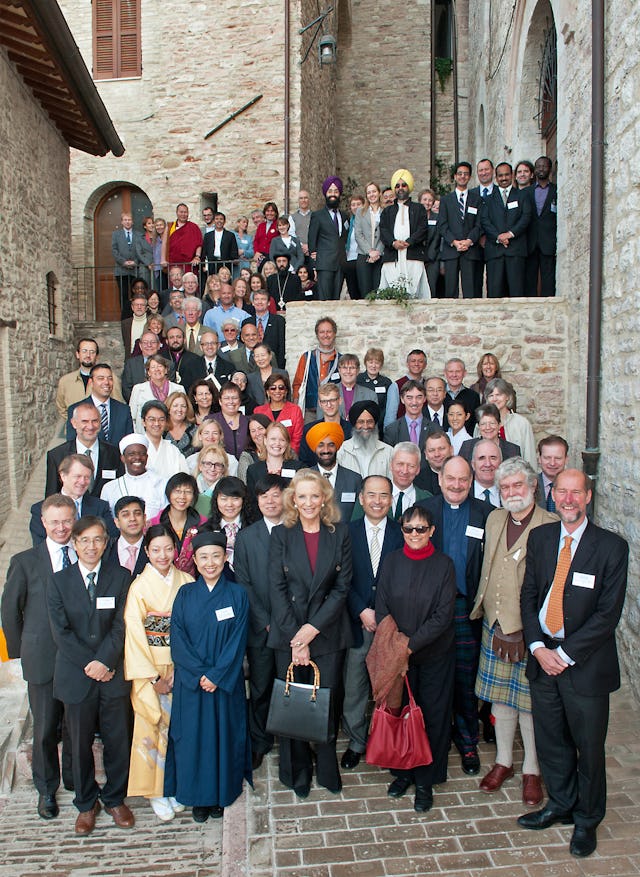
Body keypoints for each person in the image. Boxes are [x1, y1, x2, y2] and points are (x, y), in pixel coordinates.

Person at [518, 470, 628, 859]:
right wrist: (536, 646)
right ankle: (560, 804)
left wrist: (563, 656)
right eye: (561, 491)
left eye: (575, 492)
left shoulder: (612, 547)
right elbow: (529, 594)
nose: (568, 499)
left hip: (584, 664)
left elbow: (606, 615)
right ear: (553, 494)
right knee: (551, 740)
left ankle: (587, 819)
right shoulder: (541, 537)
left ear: (588, 496)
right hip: (542, 657)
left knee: (588, 747)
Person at [470, 457, 557, 806]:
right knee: (500, 699)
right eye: (505, 487)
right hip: (492, 623)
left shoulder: (549, 525)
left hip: (529, 632)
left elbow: (552, 588)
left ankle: (532, 770)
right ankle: (504, 761)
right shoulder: (494, 518)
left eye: (517, 485)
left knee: (529, 703)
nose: (511, 493)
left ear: (533, 486)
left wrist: (527, 631)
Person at [267, 470, 353, 798]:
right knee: (294, 705)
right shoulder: (281, 535)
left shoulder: (339, 533)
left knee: (325, 705)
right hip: (288, 635)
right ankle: (296, 772)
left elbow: (342, 588)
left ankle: (327, 768)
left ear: (324, 498)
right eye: (301, 496)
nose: (308, 503)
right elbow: (276, 588)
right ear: (293, 499)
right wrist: (297, 639)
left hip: (327, 633)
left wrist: (311, 631)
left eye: (314, 496)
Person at [47, 516, 134, 835]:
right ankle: (85, 804)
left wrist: (106, 661)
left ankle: (114, 798)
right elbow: (62, 633)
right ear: (74, 543)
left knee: (117, 740)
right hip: (77, 676)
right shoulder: (59, 581)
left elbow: (121, 624)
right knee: (79, 745)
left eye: (98, 539)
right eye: (84, 540)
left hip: (113, 674)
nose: (91, 546)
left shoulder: (121, 576)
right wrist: (92, 664)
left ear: (106, 542)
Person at [165, 529, 252, 821]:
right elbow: (177, 637)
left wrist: (217, 675)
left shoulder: (237, 594)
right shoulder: (185, 593)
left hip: (224, 682)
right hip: (192, 683)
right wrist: (200, 674)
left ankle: (221, 793)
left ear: (224, 557)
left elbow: (238, 640)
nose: (210, 563)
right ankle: (197, 797)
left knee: (224, 737)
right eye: (204, 557)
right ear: (196, 561)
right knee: (193, 739)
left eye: (216, 556)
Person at [375, 505, 457, 812]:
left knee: (431, 718)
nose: (414, 535)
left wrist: (409, 646)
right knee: (400, 713)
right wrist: (397, 647)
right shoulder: (392, 562)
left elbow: (442, 615)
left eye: (421, 529)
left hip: (432, 654)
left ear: (432, 531)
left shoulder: (444, 565)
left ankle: (425, 779)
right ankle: (403, 772)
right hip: (397, 654)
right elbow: (381, 605)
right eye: (409, 529)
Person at [2, 494, 78, 820]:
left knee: (77, 725)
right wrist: (22, 655)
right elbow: (9, 612)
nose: (61, 527)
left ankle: (77, 782)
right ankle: (46, 789)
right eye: (55, 521)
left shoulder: (84, 554)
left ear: (73, 520)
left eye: (66, 520)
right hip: (41, 658)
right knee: (45, 728)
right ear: (44, 523)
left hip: (77, 659)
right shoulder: (25, 561)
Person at [420, 455, 492, 775]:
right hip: (430, 610)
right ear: (439, 479)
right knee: (431, 678)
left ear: (471, 481)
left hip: (466, 609)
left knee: (465, 679)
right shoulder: (424, 512)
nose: (456, 485)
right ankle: (431, 740)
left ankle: (467, 741)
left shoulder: (487, 514)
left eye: (463, 479)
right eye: (451, 478)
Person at [123, 524, 194, 821]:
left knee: (179, 729)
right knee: (152, 730)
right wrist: (153, 678)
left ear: (175, 550)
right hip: (151, 669)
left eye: (168, 548)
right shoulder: (139, 587)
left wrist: (184, 667)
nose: (163, 555)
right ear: (147, 552)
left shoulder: (187, 580)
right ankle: (155, 792)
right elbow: (135, 634)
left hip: (182, 667)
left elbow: (196, 629)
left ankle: (175, 785)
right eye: (155, 550)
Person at [340, 476, 403, 770]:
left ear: (391, 500)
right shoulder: (346, 532)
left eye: (384, 495)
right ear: (361, 499)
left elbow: (407, 578)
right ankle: (356, 741)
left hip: (392, 623)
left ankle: (387, 739)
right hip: (357, 622)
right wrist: (361, 610)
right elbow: (340, 578)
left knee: (390, 685)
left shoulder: (402, 532)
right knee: (354, 686)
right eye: (371, 495)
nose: (377, 501)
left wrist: (386, 614)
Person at [233, 474, 287, 769]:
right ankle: (260, 740)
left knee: (290, 683)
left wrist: (288, 621)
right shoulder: (247, 536)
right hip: (261, 627)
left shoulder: (295, 530)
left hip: (293, 628)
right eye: (264, 496)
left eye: (275, 494)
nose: (270, 501)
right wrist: (266, 621)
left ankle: (293, 739)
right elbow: (243, 582)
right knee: (261, 685)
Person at [33, 454, 117, 545]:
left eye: (87, 477)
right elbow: (40, 548)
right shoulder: (40, 509)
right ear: (63, 476)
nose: (82, 482)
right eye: (78, 476)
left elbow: (111, 540)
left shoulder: (101, 507)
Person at [46, 401, 124, 498]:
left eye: (95, 421)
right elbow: (51, 497)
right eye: (85, 421)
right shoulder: (57, 455)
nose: (90, 427)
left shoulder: (114, 453)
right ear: (74, 423)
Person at [481, 162, 532, 298]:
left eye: (507, 175)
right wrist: (498, 237)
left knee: (517, 292)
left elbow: (525, 217)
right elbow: (485, 221)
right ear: (496, 178)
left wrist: (509, 234)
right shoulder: (488, 199)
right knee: (494, 293)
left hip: (516, 251)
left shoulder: (522, 196)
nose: (504, 178)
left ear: (512, 175)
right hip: (495, 252)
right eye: (500, 175)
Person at [379, 169, 430, 299]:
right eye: (397, 186)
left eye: (403, 185)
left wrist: (410, 241)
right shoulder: (387, 211)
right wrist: (393, 242)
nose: (400, 188)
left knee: (415, 292)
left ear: (409, 187)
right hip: (393, 256)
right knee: (392, 293)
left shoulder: (419, 209)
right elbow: (383, 230)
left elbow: (423, 228)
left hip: (413, 255)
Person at [436, 162, 483, 299]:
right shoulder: (446, 200)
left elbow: (479, 225)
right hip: (452, 250)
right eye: (460, 174)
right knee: (450, 290)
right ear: (455, 176)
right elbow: (442, 225)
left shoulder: (477, 199)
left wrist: (469, 241)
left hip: (470, 250)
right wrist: (455, 242)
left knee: (470, 290)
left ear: (469, 177)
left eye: (466, 174)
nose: (463, 176)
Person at [148, 473, 207, 576]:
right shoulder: (153, 524)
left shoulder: (203, 524)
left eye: (188, 492)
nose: (182, 497)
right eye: (177, 491)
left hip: (193, 583)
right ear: (169, 493)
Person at [100, 434, 167, 521]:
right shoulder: (109, 488)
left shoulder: (162, 483)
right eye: (131, 454)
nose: (137, 457)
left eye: (142, 454)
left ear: (147, 457)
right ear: (123, 458)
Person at [66, 364, 133, 447]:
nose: (106, 382)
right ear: (91, 382)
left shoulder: (124, 410)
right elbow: (71, 443)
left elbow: (129, 442)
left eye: (110, 378)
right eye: (101, 378)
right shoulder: (76, 409)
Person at [307, 421, 362, 523]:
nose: (326, 450)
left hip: (346, 537)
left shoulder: (354, 479)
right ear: (314, 448)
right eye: (321, 445)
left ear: (337, 446)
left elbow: (358, 517)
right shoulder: (304, 478)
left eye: (330, 445)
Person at [308, 177, 349, 300]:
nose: (333, 194)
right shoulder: (317, 216)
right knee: (325, 300)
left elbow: (344, 239)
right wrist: (314, 265)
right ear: (325, 193)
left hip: (340, 264)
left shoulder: (344, 215)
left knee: (336, 299)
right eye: (330, 191)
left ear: (339, 194)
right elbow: (312, 242)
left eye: (336, 191)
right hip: (324, 264)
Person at [292, 317, 341, 418]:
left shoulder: (341, 360)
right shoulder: (307, 357)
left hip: (334, 413)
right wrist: (296, 410)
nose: (326, 335)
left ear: (334, 333)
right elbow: (298, 384)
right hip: (310, 412)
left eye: (329, 331)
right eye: (322, 332)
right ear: (317, 335)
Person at [485, 377, 537, 468]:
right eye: (491, 395)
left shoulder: (521, 423)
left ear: (507, 397)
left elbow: (529, 456)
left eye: (499, 395)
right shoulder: (481, 424)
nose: (495, 399)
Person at [525, 156, 557, 297]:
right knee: (529, 275)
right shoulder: (526, 192)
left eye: (544, 166)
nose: (541, 169)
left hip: (548, 239)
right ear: (534, 170)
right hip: (530, 240)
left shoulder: (557, 191)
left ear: (550, 169)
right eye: (538, 166)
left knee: (548, 275)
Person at [299, 382, 352, 466]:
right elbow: (304, 461)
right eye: (324, 401)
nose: (329, 405)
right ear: (320, 404)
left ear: (340, 400)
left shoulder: (352, 430)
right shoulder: (309, 430)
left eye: (332, 400)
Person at [129, 355, 184, 434]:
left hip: (172, 435)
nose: (157, 369)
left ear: (166, 370)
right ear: (148, 372)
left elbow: (183, 414)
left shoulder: (179, 389)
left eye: (160, 366)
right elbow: (132, 417)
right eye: (153, 367)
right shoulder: (138, 389)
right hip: (144, 436)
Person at [207, 476, 253, 570]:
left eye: (235, 498)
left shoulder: (254, 529)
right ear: (216, 500)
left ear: (243, 500)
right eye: (224, 499)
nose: (229, 504)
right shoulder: (206, 530)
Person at [337, 401, 392, 478]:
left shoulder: (388, 452)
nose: (365, 426)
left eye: (369, 422)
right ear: (354, 424)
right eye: (361, 422)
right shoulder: (341, 450)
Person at [246, 422, 304, 493]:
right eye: (273, 439)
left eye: (282, 440)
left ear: (287, 443)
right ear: (265, 440)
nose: (277, 443)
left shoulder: (299, 468)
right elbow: (252, 501)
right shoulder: (253, 470)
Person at [253, 373, 304, 453]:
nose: (277, 391)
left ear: (286, 391)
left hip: (289, 456)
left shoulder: (295, 410)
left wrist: (287, 455)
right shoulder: (258, 411)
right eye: (273, 388)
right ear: (267, 392)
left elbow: (297, 439)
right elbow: (257, 437)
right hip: (264, 456)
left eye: (281, 388)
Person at [140, 401, 190, 479]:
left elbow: (183, 478)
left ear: (166, 422)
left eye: (161, 419)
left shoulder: (173, 450)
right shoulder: (137, 448)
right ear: (143, 422)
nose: (157, 424)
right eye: (152, 419)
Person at [384, 348, 428, 428]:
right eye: (413, 361)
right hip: (402, 433)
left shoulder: (428, 386)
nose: (416, 364)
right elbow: (390, 416)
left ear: (425, 365)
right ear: (407, 364)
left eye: (420, 361)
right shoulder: (396, 386)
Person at [354, 181, 384, 296]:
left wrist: (377, 252)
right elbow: (358, 234)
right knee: (365, 291)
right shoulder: (360, 212)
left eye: (374, 191)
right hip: (364, 255)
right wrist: (370, 251)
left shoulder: (385, 211)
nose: (372, 195)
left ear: (379, 193)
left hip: (380, 256)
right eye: (369, 192)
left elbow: (386, 233)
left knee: (379, 291)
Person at [211, 381, 251, 459]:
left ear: (240, 401)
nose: (231, 402)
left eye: (234, 398)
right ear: (220, 401)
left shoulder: (249, 421)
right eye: (226, 398)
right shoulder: (210, 420)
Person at [356, 347, 392, 432]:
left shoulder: (386, 382)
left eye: (377, 363)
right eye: (370, 362)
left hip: (379, 426)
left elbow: (388, 407)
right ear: (365, 363)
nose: (373, 365)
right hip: (359, 425)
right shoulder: (357, 380)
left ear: (381, 364)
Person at [112, 213, 140, 317]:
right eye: (125, 220)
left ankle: (136, 314)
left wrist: (135, 262)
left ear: (132, 221)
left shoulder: (138, 234)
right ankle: (124, 316)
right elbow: (114, 251)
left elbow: (141, 251)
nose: (127, 222)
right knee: (123, 294)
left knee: (136, 293)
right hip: (121, 270)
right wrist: (123, 262)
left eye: (129, 220)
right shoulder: (116, 234)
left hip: (135, 270)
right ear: (122, 222)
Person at [162, 203, 203, 274]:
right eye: (181, 212)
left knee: (190, 283)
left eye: (185, 212)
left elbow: (199, 244)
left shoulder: (194, 227)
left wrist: (197, 257)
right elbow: (164, 244)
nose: (183, 214)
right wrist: (163, 260)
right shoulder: (170, 227)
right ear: (177, 213)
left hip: (189, 264)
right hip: (173, 263)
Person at [251, 289, 286, 369]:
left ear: (269, 303)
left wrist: (279, 368)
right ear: (253, 303)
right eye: (256, 299)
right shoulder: (247, 322)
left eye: (263, 299)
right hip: (252, 367)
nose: (259, 302)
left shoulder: (279, 321)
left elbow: (282, 346)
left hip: (274, 366)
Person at [443, 358, 481, 432]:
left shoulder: (473, 396)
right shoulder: (438, 396)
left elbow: (475, 423)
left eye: (458, 371)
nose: (454, 375)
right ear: (445, 373)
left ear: (464, 373)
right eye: (451, 371)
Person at [336, 354, 377, 420]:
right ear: (339, 370)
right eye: (344, 368)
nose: (348, 371)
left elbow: (374, 424)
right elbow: (320, 421)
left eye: (352, 368)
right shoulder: (327, 393)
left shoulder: (371, 395)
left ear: (358, 371)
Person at [536, 435, 569, 512]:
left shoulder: (577, 487)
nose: (552, 463)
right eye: (547, 458)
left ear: (566, 459)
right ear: (539, 459)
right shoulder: (529, 486)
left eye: (558, 458)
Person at [414, 429, 453, 494]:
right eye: (431, 450)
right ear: (426, 454)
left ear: (451, 450)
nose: (437, 454)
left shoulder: (464, 475)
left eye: (441, 448)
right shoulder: (416, 480)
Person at [202, 211, 239, 276]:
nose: (219, 221)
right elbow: (204, 251)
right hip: (212, 263)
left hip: (225, 263)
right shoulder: (208, 235)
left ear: (224, 221)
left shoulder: (230, 235)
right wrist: (204, 265)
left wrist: (233, 260)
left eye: (221, 219)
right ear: (214, 221)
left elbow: (234, 250)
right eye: (217, 219)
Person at [236, 413, 270, 483]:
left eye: (260, 429)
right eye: (253, 431)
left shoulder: (282, 450)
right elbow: (244, 483)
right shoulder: (246, 456)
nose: (257, 433)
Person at [164, 391, 197, 456]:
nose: (179, 409)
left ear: (187, 409)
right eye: (175, 406)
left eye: (183, 406)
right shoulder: (160, 429)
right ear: (168, 408)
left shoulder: (195, 430)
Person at [471, 438, 503, 506]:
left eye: (493, 458)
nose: (488, 464)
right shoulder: (462, 492)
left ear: (501, 463)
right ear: (473, 464)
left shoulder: (510, 492)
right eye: (482, 458)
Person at [253, 201, 280, 269]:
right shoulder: (261, 226)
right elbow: (256, 241)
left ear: (275, 213)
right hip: (261, 256)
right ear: (265, 212)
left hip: (272, 256)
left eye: (272, 211)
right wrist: (256, 252)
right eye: (268, 211)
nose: (270, 213)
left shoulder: (278, 224)